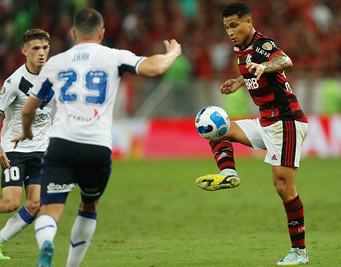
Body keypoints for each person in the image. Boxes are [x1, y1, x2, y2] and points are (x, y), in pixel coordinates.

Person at [12, 8, 181, 267]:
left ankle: (47, 243)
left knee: (51, 208)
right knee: (89, 206)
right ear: (102, 33)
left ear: (73, 33)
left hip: (61, 144)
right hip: (96, 146)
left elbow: (28, 110)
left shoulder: (55, 63)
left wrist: (26, 130)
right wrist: (172, 53)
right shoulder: (114, 56)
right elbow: (156, 67)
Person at [195, 2, 309, 265]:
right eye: (226, 27)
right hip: (266, 121)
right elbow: (249, 68)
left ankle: (299, 252)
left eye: (234, 25)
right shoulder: (241, 49)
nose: (230, 32)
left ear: (249, 22)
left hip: (286, 122)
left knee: (283, 187)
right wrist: (238, 80)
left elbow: (285, 60)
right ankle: (228, 173)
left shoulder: (262, 45)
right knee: (216, 127)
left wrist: (265, 67)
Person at [0, 28, 52, 260]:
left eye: (45, 48)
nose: (41, 53)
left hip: (41, 151)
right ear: (25, 51)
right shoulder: (14, 82)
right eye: (36, 49)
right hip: (14, 150)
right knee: (10, 203)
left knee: (35, 204)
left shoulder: (54, 76)